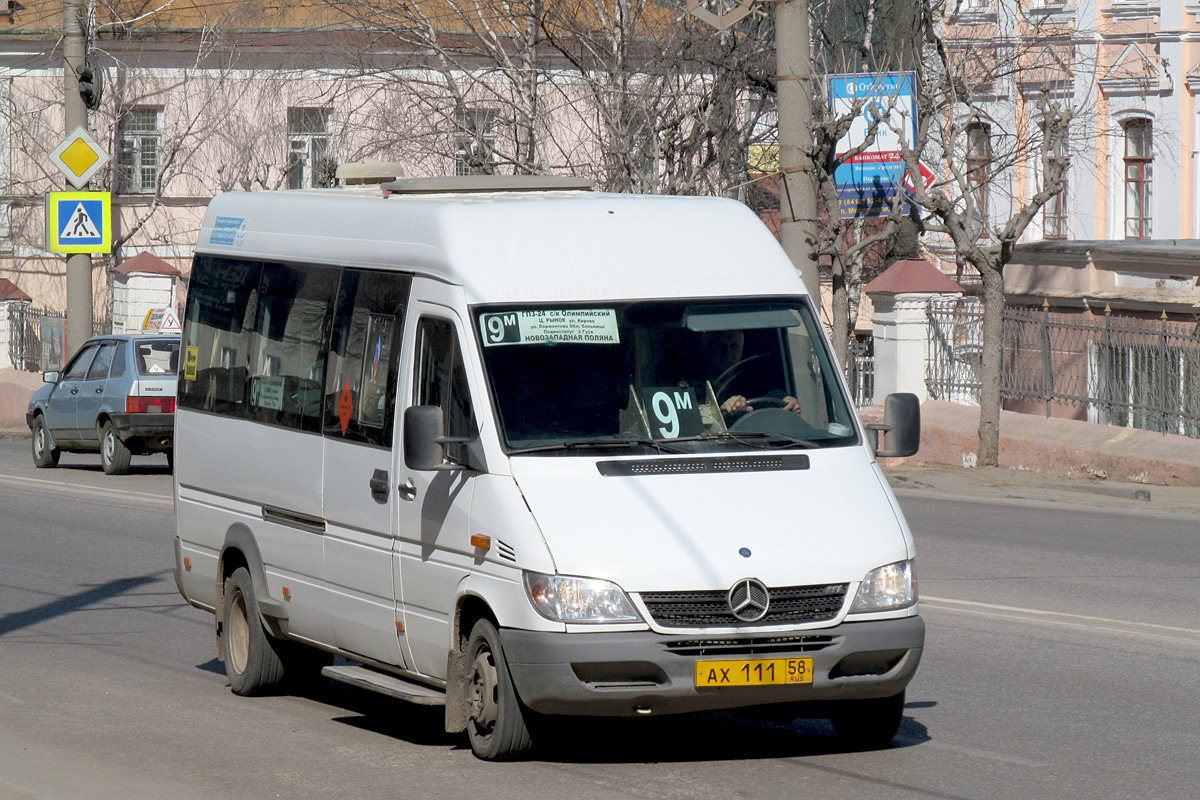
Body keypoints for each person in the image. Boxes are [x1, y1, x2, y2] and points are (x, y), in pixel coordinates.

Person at [699, 329, 802, 417]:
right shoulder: (692, 387)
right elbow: (692, 420)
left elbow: (769, 394)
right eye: (720, 346)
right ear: (706, 349)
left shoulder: (750, 382)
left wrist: (787, 400)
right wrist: (720, 413)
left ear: (741, 350)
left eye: (733, 346)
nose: (727, 352)